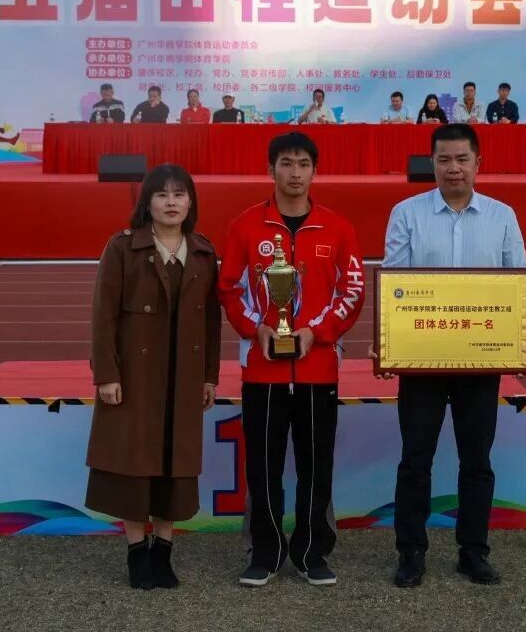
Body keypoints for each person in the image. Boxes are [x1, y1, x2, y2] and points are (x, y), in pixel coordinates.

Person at [378, 123, 526, 589]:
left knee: (477, 460)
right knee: (415, 459)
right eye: (444, 160)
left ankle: (473, 551)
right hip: (422, 360)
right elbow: (394, 284)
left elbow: (519, 281)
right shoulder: (406, 213)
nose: (454, 168)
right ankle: (411, 552)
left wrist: (524, 331)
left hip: (479, 361)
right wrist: (389, 337)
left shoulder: (502, 216)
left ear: (477, 163)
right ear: (432, 163)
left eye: (462, 159)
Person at [218, 132, 365, 588]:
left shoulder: (338, 228)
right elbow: (228, 289)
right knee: (263, 466)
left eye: (303, 164)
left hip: (319, 370)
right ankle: (265, 552)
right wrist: (257, 329)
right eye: (286, 163)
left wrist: (316, 333)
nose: (295, 173)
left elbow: (352, 291)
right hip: (262, 370)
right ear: (271, 169)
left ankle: (310, 552)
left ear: (315, 171)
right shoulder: (245, 226)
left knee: (316, 466)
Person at [87, 164, 222, 590]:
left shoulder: (202, 253)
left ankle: (163, 551)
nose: (171, 202)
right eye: (161, 195)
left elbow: (211, 323)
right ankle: (136, 552)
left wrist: (209, 377)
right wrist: (107, 374)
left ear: (191, 202)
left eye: (179, 194)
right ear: (147, 203)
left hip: (183, 379)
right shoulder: (122, 248)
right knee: (134, 465)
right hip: (135, 379)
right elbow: (103, 316)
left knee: (175, 464)